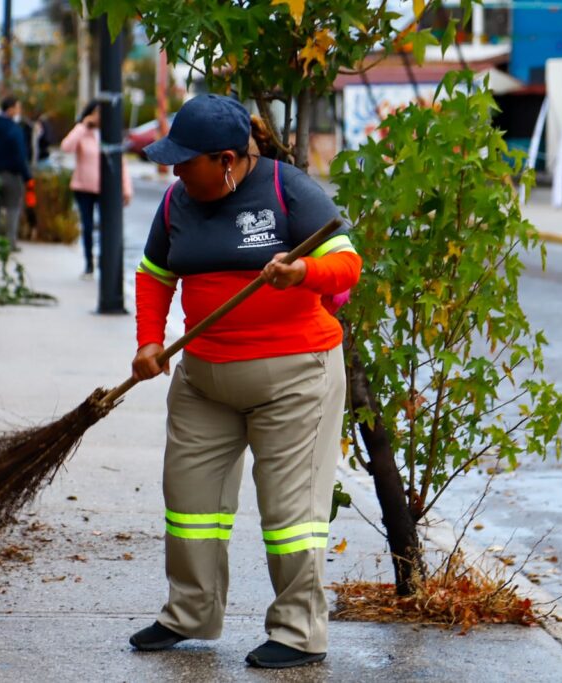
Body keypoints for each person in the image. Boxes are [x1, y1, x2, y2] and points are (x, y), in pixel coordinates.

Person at [127, 94, 362, 669]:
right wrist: (149, 342)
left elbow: (346, 262)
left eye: (187, 161)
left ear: (227, 159)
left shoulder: (288, 190)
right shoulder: (177, 202)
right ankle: (189, 612)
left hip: (295, 379)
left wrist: (302, 270)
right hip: (204, 378)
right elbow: (155, 274)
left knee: (290, 515)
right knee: (190, 501)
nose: (175, 171)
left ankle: (300, 631)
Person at [60, 102, 133, 279]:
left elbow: (121, 162)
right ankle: (88, 264)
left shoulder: (111, 133)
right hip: (83, 187)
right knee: (87, 226)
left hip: (106, 189)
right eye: (95, 113)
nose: (99, 117)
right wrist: (83, 125)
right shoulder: (83, 132)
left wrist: (126, 188)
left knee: (108, 226)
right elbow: (66, 147)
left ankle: (106, 262)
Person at [0, 95, 33, 250]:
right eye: (17, 107)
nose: (19, 111)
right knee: (13, 209)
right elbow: (20, 153)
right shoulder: (14, 128)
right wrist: (27, 175)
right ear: (11, 109)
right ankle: (10, 242)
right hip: (11, 173)